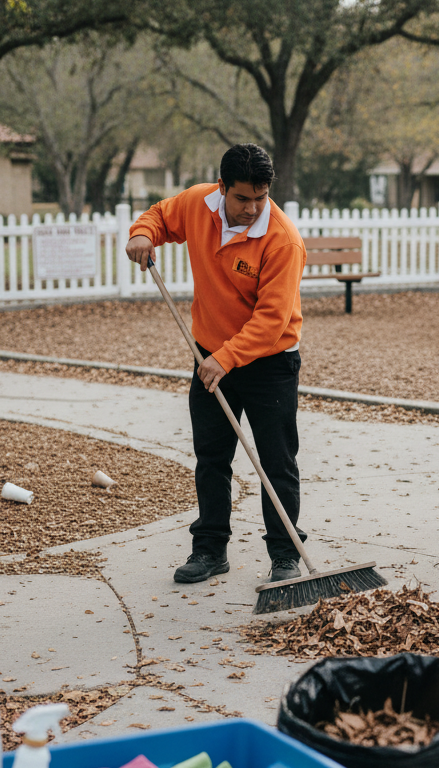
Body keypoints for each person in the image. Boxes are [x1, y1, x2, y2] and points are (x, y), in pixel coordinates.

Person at [124, 144, 307, 585]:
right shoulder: (197, 204)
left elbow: (271, 319)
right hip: (210, 354)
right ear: (222, 186)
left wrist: (225, 359)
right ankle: (209, 550)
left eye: (261, 198)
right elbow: (160, 215)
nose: (252, 208)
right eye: (243, 198)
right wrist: (141, 234)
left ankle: (285, 555)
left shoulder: (283, 240)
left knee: (275, 462)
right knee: (211, 458)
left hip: (269, 363)